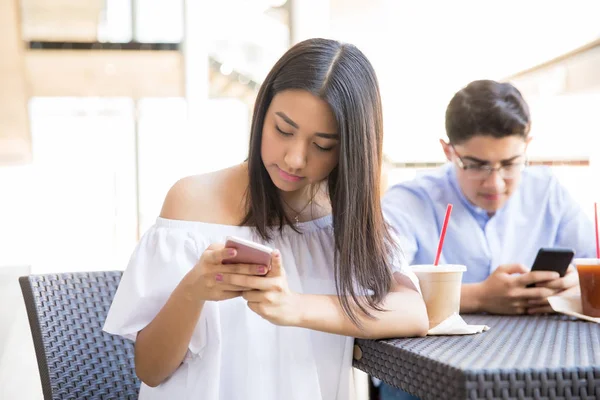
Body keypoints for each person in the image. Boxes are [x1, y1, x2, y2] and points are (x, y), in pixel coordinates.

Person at [103, 38, 428, 400]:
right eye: (283, 130)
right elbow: (150, 368)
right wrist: (193, 290)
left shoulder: (343, 219)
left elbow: (414, 312)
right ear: (261, 113)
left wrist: (295, 307)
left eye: (322, 146)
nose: (294, 159)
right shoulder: (192, 202)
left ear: (350, 150)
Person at [379, 79, 596, 399]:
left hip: (538, 362)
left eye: (510, 164)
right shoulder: (411, 201)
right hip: (424, 376)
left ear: (527, 145)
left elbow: (590, 265)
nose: (495, 183)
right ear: (448, 151)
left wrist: (574, 288)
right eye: (476, 165)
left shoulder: (548, 192)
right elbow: (373, 286)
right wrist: (480, 296)